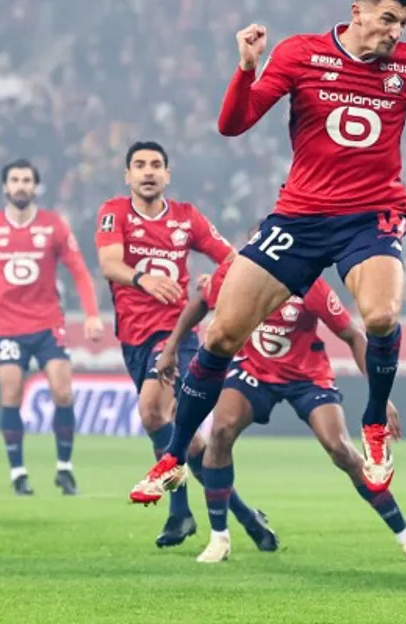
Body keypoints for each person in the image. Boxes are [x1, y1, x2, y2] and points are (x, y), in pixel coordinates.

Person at [132, 0, 406, 502]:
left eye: (404, 22)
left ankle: (372, 424)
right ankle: (172, 458)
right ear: (358, 12)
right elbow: (234, 124)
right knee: (220, 338)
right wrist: (247, 68)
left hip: (371, 216)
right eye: (388, 19)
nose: (395, 32)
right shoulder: (301, 53)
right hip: (297, 219)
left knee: (381, 317)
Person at [159, 252, 406, 565]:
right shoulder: (234, 272)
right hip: (253, 372)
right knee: (221, 431)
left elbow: (354, 336)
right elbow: (198, 303)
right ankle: (219, 538)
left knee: (340, 449)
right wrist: (170, 349)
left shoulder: (309, 284)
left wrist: (381, 396)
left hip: (306, 377)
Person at [98, 141, 274, 550]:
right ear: (127, 176)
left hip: (173, 334)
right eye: (139, 165)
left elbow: (232, 258)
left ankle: (180, 514)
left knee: (151, 410)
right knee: (187, 441)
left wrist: (218, 287)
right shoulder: (114, 212)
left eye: (156, 165)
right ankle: (245, 516)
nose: (148, 171)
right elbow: (109, 263)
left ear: (167, 175)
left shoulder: (187, 218)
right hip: (132, 337)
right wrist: (143, 278)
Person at [0, 158, 103, 495]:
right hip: (8, 327)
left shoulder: (53, 226)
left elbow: (78, 270)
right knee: (11, 393)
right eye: (15, 180)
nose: (20, 185)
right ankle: (18, 473)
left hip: (48, 324)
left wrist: (91, 314)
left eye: (26, 180)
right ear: (5, 187)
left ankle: (64, 468)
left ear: (35, 186)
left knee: (63, 391)